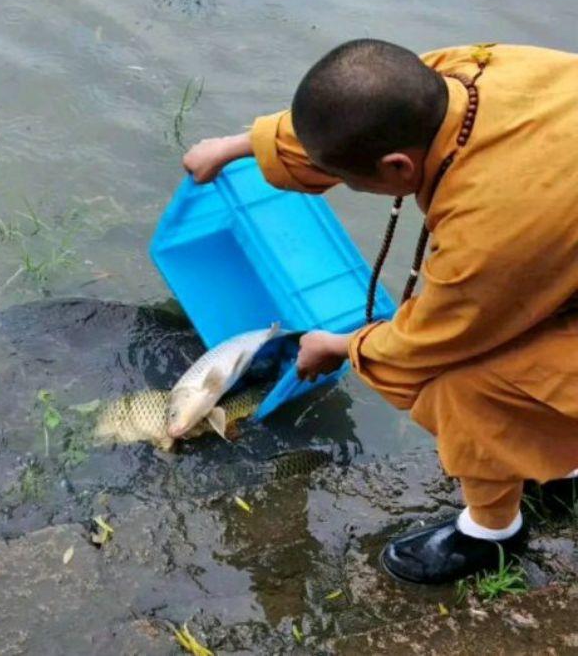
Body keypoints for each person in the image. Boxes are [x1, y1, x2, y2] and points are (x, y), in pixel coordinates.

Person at [182, 39, 578, 585]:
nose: (346, 186)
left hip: (541, 235)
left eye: (352, 181)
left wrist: (341, 346)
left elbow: (428, 343)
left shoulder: (491, 230)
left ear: (397, 166)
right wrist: (240, 146)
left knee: (462, 386)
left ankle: (492, 534)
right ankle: (555, 452)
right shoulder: (466, 73)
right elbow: (358, 113)